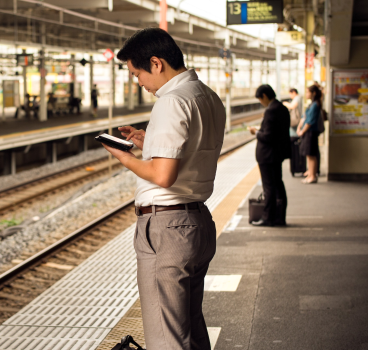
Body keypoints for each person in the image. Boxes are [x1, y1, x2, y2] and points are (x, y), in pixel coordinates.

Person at [105, 28, 226, 350]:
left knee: (166, 337)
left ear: (156, 64)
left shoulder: (171, 102)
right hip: (197, 224)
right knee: (190, 329)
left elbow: (163, 176)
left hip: (167, 229)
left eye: (137, 73)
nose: (138, 82)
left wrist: (125, 157)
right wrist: (150, 145)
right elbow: (187, 154)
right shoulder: (207, 96)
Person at [248, 84, 291, 226]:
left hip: (267, 156)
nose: (261, 102)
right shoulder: (283, 108)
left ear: (264, 96)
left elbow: (268, 136)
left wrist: (256, 132)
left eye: (260, 99)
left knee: (269, 187)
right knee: (278, 184)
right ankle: (280, 217)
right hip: (277, 154)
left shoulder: (270, 111)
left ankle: (268, 218)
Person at [297, 84, 322, 184]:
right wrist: (299, 128)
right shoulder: (312, 104)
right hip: (308, 132)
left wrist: (302, 131)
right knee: (309, 154)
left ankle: (313, 176)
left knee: (311, 154)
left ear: (313, 93)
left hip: (310, 133)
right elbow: (304, 118)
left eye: (308, 92)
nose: (306, 94)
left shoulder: (315, 105)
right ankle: (311, 174)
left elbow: (309, 121)